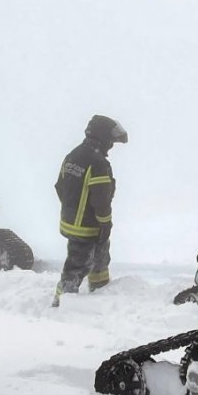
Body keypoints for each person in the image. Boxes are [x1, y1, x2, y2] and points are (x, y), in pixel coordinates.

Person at [53, 114, 128, 307]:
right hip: (89, 228)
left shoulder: (73, 155)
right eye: (111, 141)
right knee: (77, 267)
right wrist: (105, 223)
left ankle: (99, 296)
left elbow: (60, 186)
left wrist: (72, 210)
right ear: (103, 138)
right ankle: (60, 305)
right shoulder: (98, 163)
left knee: (98, 261)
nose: (111, 146)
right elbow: (101, 200)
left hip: (71, 222)